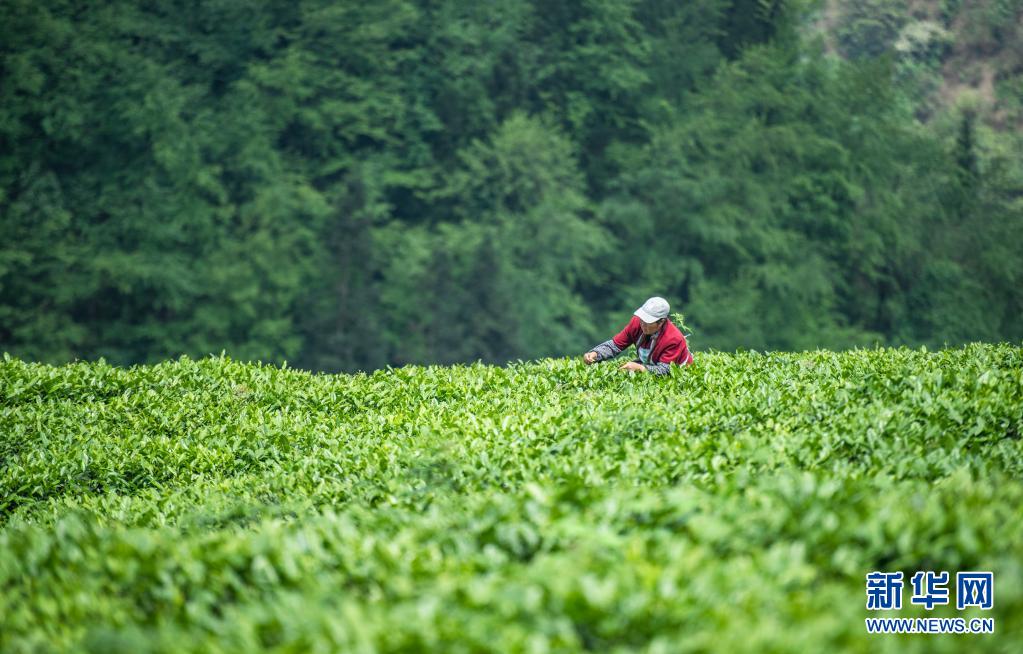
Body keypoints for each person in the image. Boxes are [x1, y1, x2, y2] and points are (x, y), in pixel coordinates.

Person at [583, 297, 694, 374]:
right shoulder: (637, 322)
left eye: (648, 322)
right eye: (642, 319)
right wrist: (595, 353)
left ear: (661, 322)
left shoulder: (674, 339)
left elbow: (665, 370)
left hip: (678, 370)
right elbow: (615, 345)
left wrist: (640, 368)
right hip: (648, 363)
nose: (643, 324)